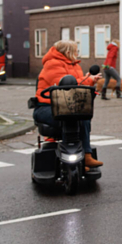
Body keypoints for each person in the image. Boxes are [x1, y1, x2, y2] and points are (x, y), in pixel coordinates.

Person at [34, 40, 102, 168]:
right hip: (47, 106)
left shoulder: (75, 65)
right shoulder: (52, 64)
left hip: (68, 105)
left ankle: (87, 155)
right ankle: (67, 158)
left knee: (84, 117)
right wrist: (87, 80)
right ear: (69, 52)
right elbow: (64, 85)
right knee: (68, 118)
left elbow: (77, 85)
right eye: (76, 50)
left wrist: (88, 80)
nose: (78, 53)